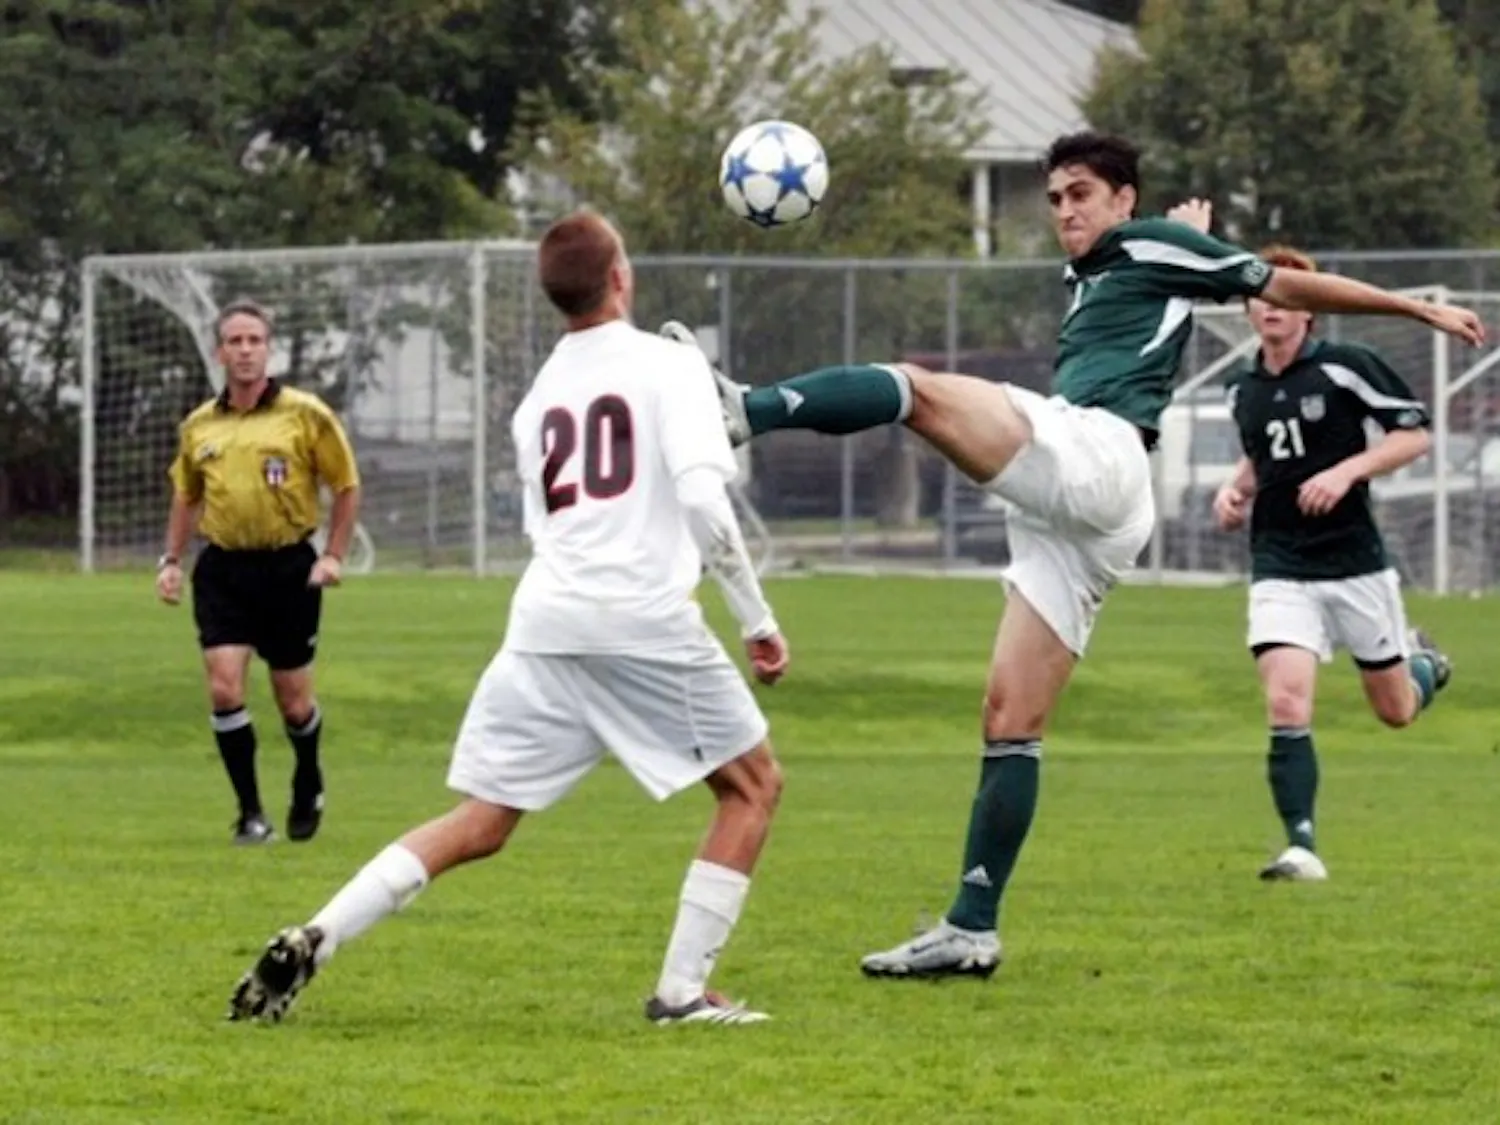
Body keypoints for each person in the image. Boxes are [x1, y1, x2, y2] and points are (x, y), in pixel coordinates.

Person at [661, 131, 1485, 980]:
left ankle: (743, 410)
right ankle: (971, 927)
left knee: (912, 386)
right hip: (1083, 511)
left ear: (1124, 200)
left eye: (1081, 193)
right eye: (1054, 197)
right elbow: (1173, 273)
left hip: (1099, 456)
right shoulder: (1109, 259)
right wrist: (1182, 232)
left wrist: (1413, 307)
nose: (1064, 210)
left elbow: (1279, 281)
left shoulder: (1139, 240)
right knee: (1008, 721)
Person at [227, 209, 790, 1028]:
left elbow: (546, 524)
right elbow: (704, 496)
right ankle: (681, 993)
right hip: (640, 621)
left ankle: (320, 933)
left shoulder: (538, 399)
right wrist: (757, 619)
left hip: (545, 623)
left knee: (482, 820)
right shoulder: (672, 366)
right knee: (753, 786)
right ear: (622, 278)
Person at [1211, 244, 1453, 883]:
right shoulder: (1243, 389)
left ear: (1309, 310)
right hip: (1279, 564)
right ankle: (1302, 847)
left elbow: (1414, 433)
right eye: (1260, 297)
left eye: (1286, 298)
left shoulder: (1346, 369)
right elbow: (1262, 457)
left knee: (1395, 710)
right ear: (1248, 308)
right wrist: (1233, 490)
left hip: (1354, 564)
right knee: (1287, 703)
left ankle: (1426, 665)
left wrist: (1346, 472)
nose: (1272, 308)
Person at [158, 299, 361, 846]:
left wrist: (333, 555)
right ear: (220, 351)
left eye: (255, 341)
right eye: (235, 342)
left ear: (267, 349)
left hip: (289, 568)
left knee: (293, 700)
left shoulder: (305, 413)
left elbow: (345, 485)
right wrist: (172, 561)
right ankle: (250, 814)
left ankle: (308, 776)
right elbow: (186, 494)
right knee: (225, 689)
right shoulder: (199, 425)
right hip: (223, 569)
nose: (245, 351)